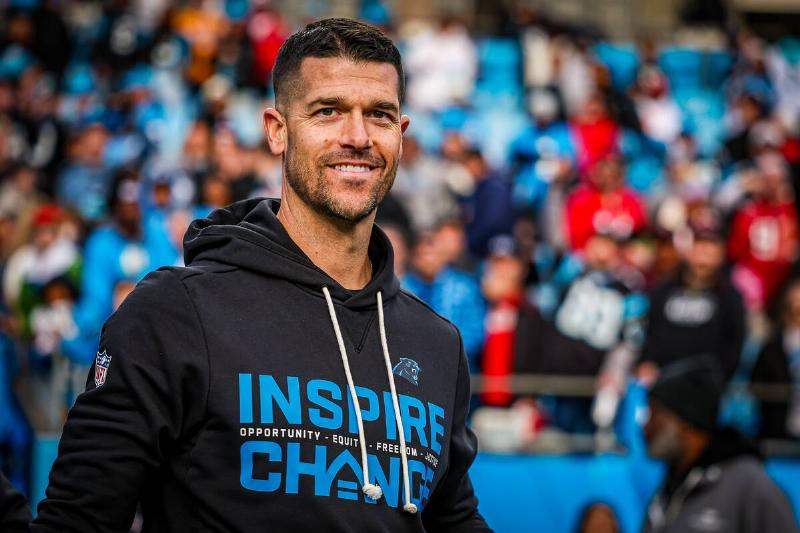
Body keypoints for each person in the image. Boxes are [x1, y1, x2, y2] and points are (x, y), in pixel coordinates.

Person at [33, 18, 491, 532]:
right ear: (277, 130)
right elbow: (77, 520)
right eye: (329, 112)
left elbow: (455, 520)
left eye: (379, 115)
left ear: (401, 135)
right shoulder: (175, 312)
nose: (358, 137)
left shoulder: (436, 344)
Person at [643, 357, 799, 533]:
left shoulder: (750, 487)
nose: (645, 427)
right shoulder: (670, 487)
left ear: (685, 422)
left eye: (655, 415)